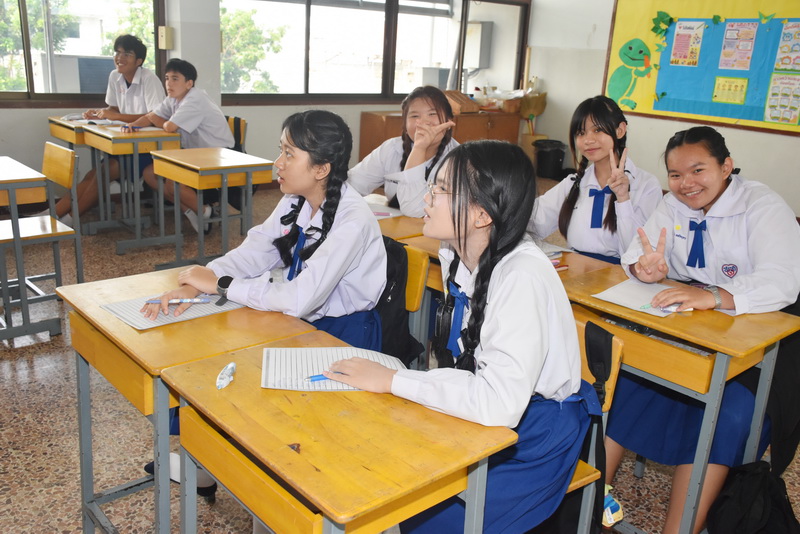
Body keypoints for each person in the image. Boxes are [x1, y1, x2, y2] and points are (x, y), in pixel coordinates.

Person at [325, 140, 596, 533]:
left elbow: (499, 404)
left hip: (533, 435)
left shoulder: (521, 276)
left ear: (482, 214)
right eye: (432, 185)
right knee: (374, 462)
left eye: (441, 190)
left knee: (408, 509)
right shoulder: (457, 251)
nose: (428, 198)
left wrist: (395, 380)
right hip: (489, 412)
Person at [605, 126, 800, 533]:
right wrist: (645, 268)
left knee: (725, 413)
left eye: (698, 170)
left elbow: (783, 280)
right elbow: (641, 251)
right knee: (631, 382)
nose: (686, 184)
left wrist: (715, 295)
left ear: (726, 166)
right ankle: (587, 503)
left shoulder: (762, 205)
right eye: (675, 175)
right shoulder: (672, 205)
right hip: (695, 326)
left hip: (763, 336)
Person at [141, 109, 386, 351]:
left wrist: (220, 284)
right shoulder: (295, 199)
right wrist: (198, 283)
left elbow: (299, 298)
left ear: (321, 169)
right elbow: (256, 251)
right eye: (281, 150)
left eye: (289, 154)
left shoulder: (352, 221)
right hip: (297, 320)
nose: (278, 163)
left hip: (344, 335)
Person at [528, 95, 662, 263]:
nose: (588, 140)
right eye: (581, 133)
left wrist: (623, 199)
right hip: (575, 269)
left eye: (597, 130)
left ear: (620, 130)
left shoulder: (646, 185)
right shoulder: (573, 183)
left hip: (622, 272)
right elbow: (535, 220)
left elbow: (638, 252)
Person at [52, 34, 164, 225]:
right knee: (93, 175)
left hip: (146, 147)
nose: (120, 57)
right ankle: (51, 215)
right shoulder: (115, 76)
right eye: (117, 52)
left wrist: (115, 116)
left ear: (139, 61)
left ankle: (68, 220)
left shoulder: (149, 79)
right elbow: (114, 108)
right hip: (124, 143)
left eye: (127, 54)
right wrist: (100, 113)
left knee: (102, 173)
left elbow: (154, 117)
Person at [124, 58, 234, 233]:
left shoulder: (195, 99)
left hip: (219, 156)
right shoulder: (173, 99)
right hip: (196, 154)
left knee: (172, 181)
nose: (169, 83)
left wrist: (155, 119)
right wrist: (133, 125)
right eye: (167, 78)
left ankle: (205, 212)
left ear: (189, 83)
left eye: (175, 79)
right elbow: (151, 116)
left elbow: (169, 127)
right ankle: (194, 212)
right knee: (150, 173)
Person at [348, 85, 457, 217]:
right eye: (415, 116)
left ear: (449, 121)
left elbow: (415, 209)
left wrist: (419, 148)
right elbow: (350, 186)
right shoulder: (391, 149)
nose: (424, 122)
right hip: (398, 224)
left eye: (432, 114)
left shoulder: (460, 159)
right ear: (405, 125)